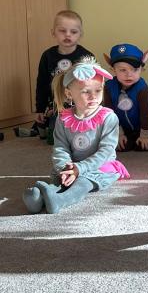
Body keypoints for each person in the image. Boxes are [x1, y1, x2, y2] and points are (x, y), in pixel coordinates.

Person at [23, 58, 129, 214]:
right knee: (61, 179)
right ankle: (40, 198)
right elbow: (60, 148)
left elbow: (106, 151)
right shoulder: (63, 119)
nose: (93, 96)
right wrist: (65, 168)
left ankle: (60, 200)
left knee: (83, 182)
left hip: (99, 166)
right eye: (86, 91)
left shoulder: (108, 117)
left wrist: (80, 168)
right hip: (72, 166)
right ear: (69, 94)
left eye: (98, 90)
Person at [32, 10, 93, 141]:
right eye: (62, 31)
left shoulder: (86, 57)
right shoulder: (48, 56)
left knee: (82, 135)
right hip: (57, 105)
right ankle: (46, 123)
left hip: (80, 105)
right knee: (54, 138)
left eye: (73, 32)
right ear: (53, 32)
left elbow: (94, 85)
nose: (68, 35)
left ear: (80, 34)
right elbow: (42, 83)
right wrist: (40, 109)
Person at [103, 43, 148, 151]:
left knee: (146, 145)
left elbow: (145, 114)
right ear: (113, 70)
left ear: (141, 69)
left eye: (134, 69)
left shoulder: (143, 89)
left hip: (145, 125)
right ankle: (129, 138)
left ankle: (143, 136)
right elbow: (110, 113)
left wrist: (145, 134)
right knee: (121, 147)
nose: (129, 75)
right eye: (123, 70)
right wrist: (118, 134)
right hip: (123, 127)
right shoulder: (109, 87)